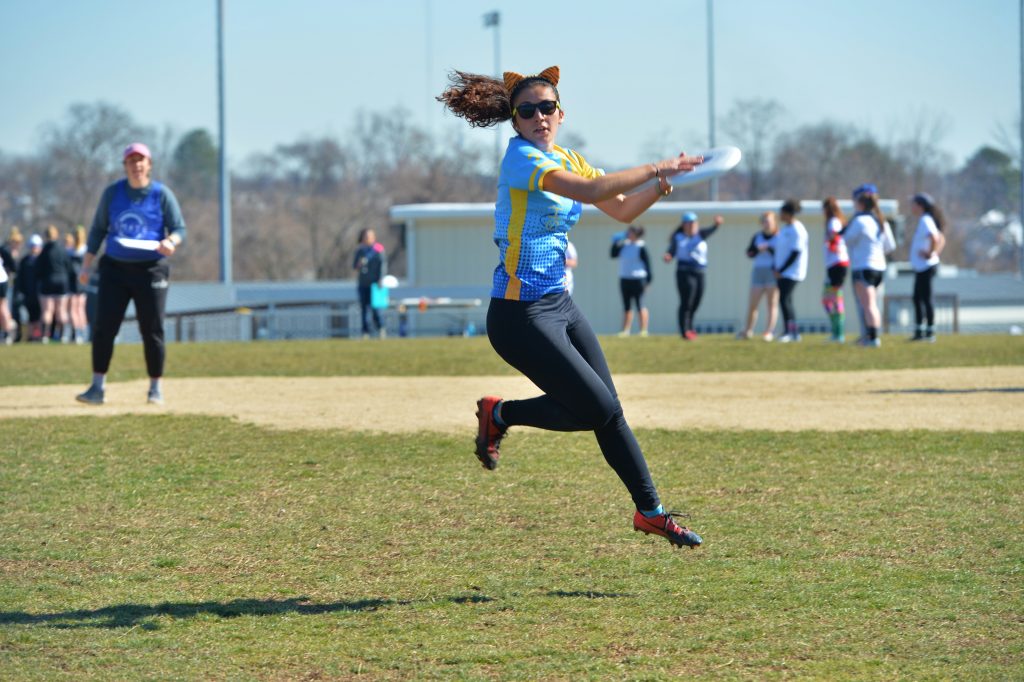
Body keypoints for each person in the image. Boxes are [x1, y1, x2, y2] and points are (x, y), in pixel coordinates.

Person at [438, 65, 703, 549]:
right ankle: (501, 415)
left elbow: (620, 208)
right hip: (519, 315)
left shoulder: (567, 156)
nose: (538, 116)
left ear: (561, 113)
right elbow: (585, 192)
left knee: (610, 410)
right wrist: (656, 167)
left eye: (546, 107)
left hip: (559, 304)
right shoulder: (521, 160)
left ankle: (652, 512)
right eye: (527, 110)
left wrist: (661, 186)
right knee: (595, 407)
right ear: (515, 121)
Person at [75, 142, 186, 405]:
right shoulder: (113, 193)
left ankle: (155, 388)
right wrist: (86, 265)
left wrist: (171, 241)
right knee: (104, 327)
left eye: (141, 160)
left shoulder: (161, 194)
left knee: (152, 329)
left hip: (151, 270)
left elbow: (179, 228)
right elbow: (97, 230)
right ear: (124, 166)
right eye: (131, 161)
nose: (136, 165)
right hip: (115, 268)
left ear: (149, 165)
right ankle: (97, 387)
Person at [841, 184, 891, 348]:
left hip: (863, 266)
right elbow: (890, 246)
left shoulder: (860, 220)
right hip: (879, 267)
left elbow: (847, 239)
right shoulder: (880, 221)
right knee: (872, 304)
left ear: (861, 203)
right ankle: (869, 336)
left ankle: (872, 338)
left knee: (868, 305)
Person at [663, 212, 722, 340]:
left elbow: (712, 229)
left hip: (699, 272)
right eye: (688, 224)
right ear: (684, 225)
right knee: (687, 301)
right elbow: (671, 250)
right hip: (684, 272)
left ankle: (690, 327)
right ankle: (684, 331)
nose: (691, 226)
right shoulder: (678, 237)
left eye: (693, 223)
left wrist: (717, 224)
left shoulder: (701, 235)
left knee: (696, 301)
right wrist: (668, 256)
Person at [908, 192, 946, 342]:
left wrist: (931, 253)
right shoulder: (925, 220)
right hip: (922, 266)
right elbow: (941, 237)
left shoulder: (925, 219)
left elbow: (936, 238)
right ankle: (920, 331)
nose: (911, 207)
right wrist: (934, 251)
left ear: (920, 206)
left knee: (925, 298)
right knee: (918, 298)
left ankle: (929, 332)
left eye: (913, 204)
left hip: (926, 266)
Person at [738, 211, 779, 341]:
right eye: (764, 221)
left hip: (772, 272)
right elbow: (749, 253)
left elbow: (781, 255)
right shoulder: (757, 237)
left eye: (769, 221)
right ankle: (748, 331)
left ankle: (768, 332)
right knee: (753, 304)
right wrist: (757, 250)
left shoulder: (779, 236)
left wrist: (769, 249)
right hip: (758, 272)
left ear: (774, 222)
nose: (767, 224)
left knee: (771, 304)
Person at [773, 200, 809, 343]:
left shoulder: (797, 229)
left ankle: (792, 332)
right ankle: (790, 330)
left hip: (792, 272)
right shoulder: (785, 229)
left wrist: (782, 269)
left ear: (788, 214)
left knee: (784, 300)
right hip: (782, 272)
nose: (780, 215)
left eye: (782, 213)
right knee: (785, 300)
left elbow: (795, 252)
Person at [610, 225, 652, 337]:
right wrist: (615, 243)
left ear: (636, 234)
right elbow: (613, 254)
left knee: (640, 305)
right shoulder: (624, 245)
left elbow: (648, 265)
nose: (628, 234)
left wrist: (648, 281)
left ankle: (643, 330)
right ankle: (625, 330)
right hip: (625, 278)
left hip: (639, 279)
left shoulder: (641, 246)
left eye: (630, 232)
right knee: (627, 306)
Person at [35, 225, 73, 343]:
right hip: (62, 282)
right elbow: (69, 267)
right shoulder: (62, 250)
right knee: (61, 310)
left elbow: (38, 268)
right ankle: (62, 335)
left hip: (47, 282)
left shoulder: (44, 251)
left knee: (47, 310)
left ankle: (45, 336)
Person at [821, 197, 849, 343]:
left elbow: (835, 237)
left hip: (837, 264)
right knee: (829, 299)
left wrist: (831, 244)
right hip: (834, 265)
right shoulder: (836, 221)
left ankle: (838, 333)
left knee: (832, 299)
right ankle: (836, 332)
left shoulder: (833, 221)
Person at [353, 228, 386, 338]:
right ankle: (365, 332)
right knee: (364, 310)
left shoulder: (378, 250)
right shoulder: (360, 251)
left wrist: (381, 279)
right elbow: (354, 267)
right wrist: (359, 263)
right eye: (365, 236)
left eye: (369, 236)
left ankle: (381, 328)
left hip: (375, 284)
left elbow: (383, 265)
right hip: (363, 284)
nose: (367, 238)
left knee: (376, 308)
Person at [16, 235, 43, 341]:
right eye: (32, 246)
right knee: (30, 316)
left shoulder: (42, 261)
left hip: (40, 293)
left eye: (36, 246)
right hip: (28, 293)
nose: (34, 248)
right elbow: (20, 278)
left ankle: (38, 335)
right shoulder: (24, 261)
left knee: (40, 316)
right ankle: (31, 336)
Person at [65, 226, 89, 343]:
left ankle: (76, 334)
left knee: (73, 310)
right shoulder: (86, 250)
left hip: (73, 282)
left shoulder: (70, 251)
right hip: (83, 282)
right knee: (81, 309)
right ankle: (84, 333)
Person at [0, 228, 20, 345]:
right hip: (3, 280)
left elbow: (13, 266)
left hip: (1, 280)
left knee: (3, 307)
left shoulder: (3, 250)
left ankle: (8, 331)